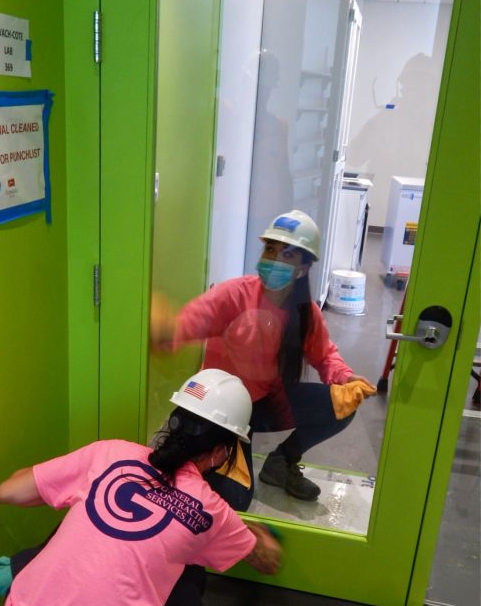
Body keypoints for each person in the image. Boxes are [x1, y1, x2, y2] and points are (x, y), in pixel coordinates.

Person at [0, 369, 281, 606]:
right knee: (190, 577)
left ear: (172, 422)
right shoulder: (209, 512)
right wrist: (260, 533)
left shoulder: (110, 452)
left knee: (84, 511)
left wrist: (50, 479)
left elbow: (7, 491)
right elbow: (265, 560)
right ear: (220, 452)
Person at [153, 210, 375, 506]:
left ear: (304, 267)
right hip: (222, 410)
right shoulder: (234, 295)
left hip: (265, 404)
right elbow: (195, 319)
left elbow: (325, 356)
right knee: (236, 499)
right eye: (270, 249)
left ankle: (281, 464)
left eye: (288, 254)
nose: (274, 260)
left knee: (343, 406)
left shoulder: (306, 314)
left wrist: (345, 377)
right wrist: (169, 329)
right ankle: (200, 454)